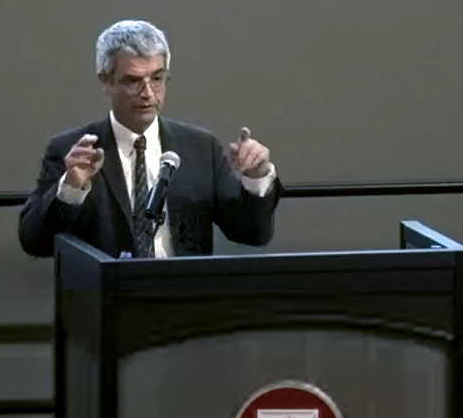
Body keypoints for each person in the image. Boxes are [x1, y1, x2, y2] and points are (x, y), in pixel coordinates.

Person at [18, 19, 281, 259]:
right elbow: (35, 243)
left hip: (183, 300)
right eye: (133, 81)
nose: (148, 93)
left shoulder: (200, 147)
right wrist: (71, 186)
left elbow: (251, 234)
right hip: (107, 301)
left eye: (156, 78)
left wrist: (256, 178)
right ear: (106, 81)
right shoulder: (73, 151)